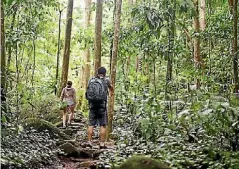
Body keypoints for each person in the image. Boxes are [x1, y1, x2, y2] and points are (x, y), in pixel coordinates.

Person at [86, 67, 114, 149]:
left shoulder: (91, 80)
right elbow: (111, 88)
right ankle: (101, 144)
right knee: (103, 125)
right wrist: (111, 93)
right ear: (105, 74)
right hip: (102, 106)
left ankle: (89, 142)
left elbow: (88, 90)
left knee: (91, 124)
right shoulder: (106, 81)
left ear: (97, 73)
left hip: (92, 105)